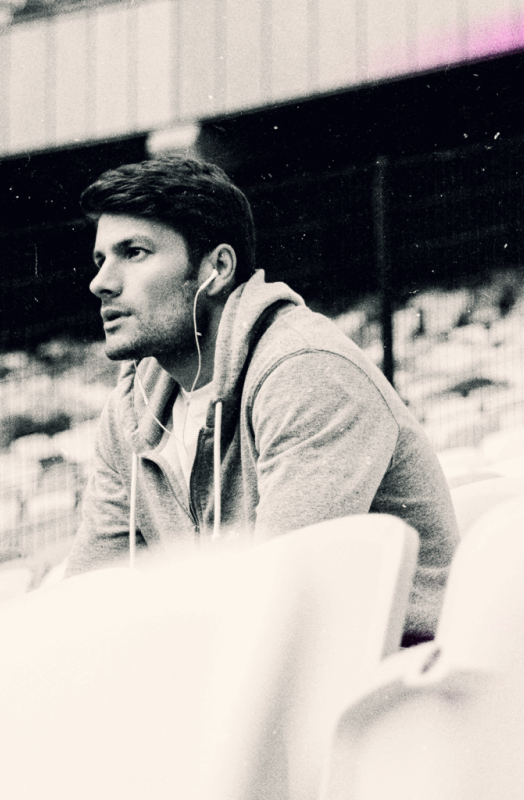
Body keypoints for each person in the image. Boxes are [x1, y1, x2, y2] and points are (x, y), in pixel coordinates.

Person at [67, 157, 457, 644]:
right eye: (101, 259)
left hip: (387, 676)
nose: (101, 282)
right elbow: (81, 603)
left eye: (135, 252)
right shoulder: (131, 408)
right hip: (255, 669)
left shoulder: (306, 370)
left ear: (218, 269)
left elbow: (281, 603)